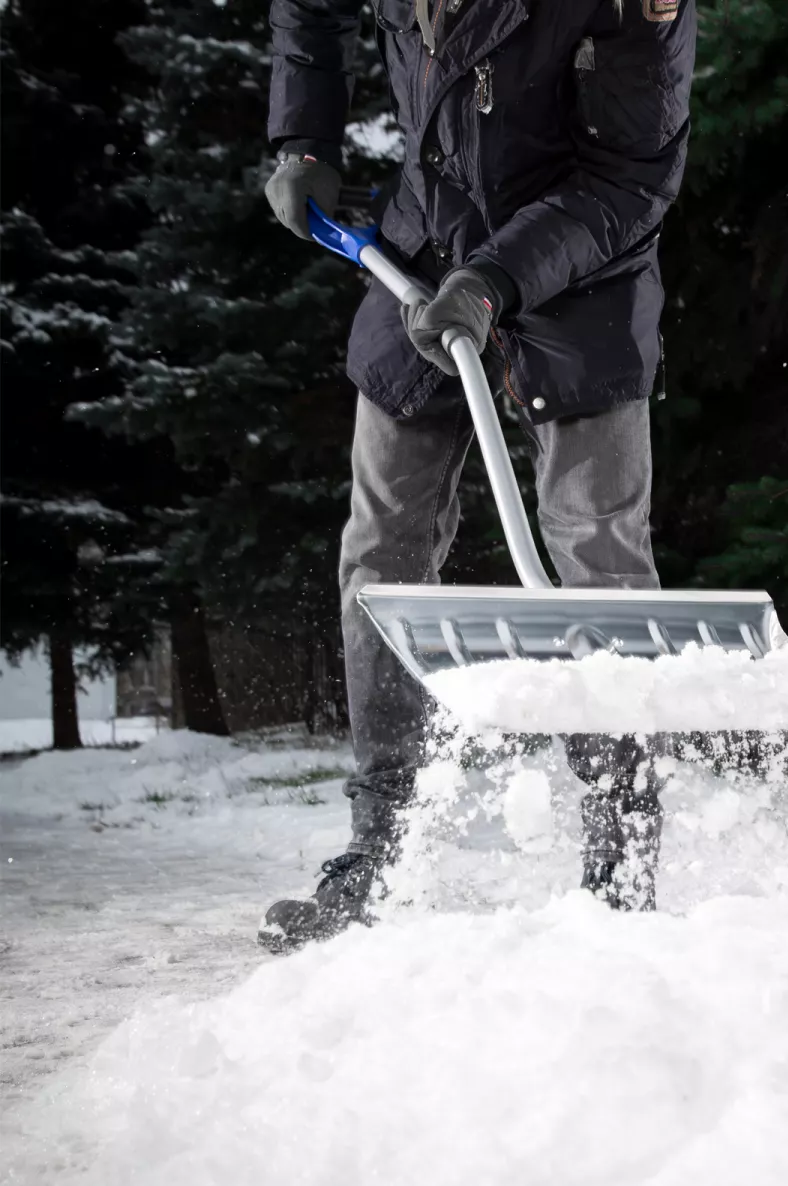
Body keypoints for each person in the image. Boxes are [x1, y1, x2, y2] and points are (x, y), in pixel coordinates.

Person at [259, 0, 697, 951]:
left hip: (587, 269)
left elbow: (632, 178)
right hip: (423, 246)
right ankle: (382, 840)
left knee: (598, 552)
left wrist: (497, 281)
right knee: (379, 550)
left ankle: (621, 851)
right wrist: (301, 136)